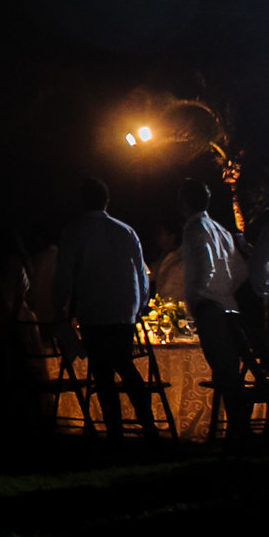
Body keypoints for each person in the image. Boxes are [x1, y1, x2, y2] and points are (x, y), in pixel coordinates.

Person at [51, 177, 158, 445]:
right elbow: (141, 274)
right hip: (124, 310)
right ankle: (148, 424)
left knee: (103, 373)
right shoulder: (125, 231)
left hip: (95, 310)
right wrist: (139, 306)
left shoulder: (75, 231)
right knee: (125, 365)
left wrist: (59, 310)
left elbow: (64, 275)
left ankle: (115, 433)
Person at [178, 179, 252, 447]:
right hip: (229, 304)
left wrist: (199, 296)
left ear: (184, 202)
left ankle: (239, 431)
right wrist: (226, 289)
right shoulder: (220, 228)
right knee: (229, 372)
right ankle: (236, 429)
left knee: (224, 371)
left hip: (211, 306)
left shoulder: (195, 229)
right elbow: (242, 269)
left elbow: (205, 263)